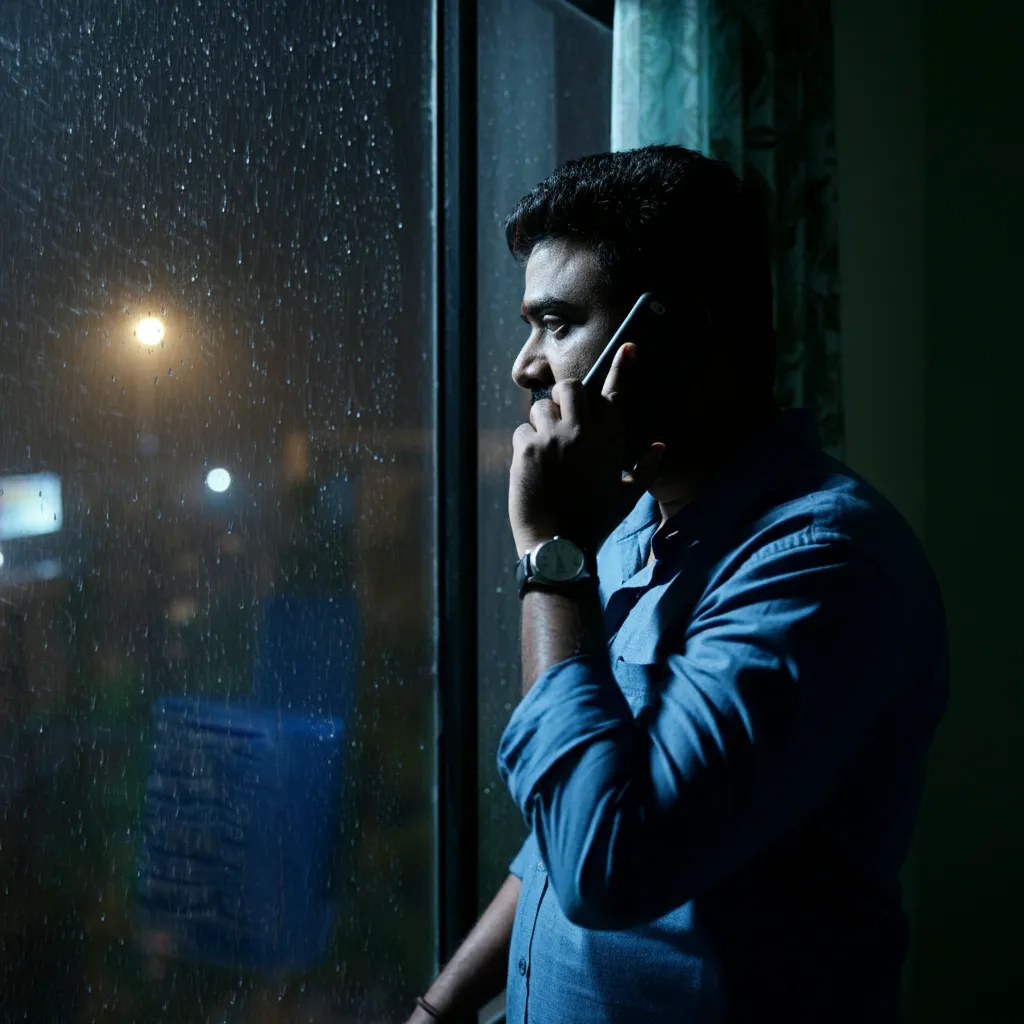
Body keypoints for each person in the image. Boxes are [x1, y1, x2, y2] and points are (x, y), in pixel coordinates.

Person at [406, 145, 947, 1023]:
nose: (524, 365)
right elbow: (568, 813)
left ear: (670, 333)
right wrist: (441, 1009)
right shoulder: (626, 535)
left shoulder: (825, 567)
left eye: (555, 321)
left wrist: (550, 554)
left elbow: (603, 861)